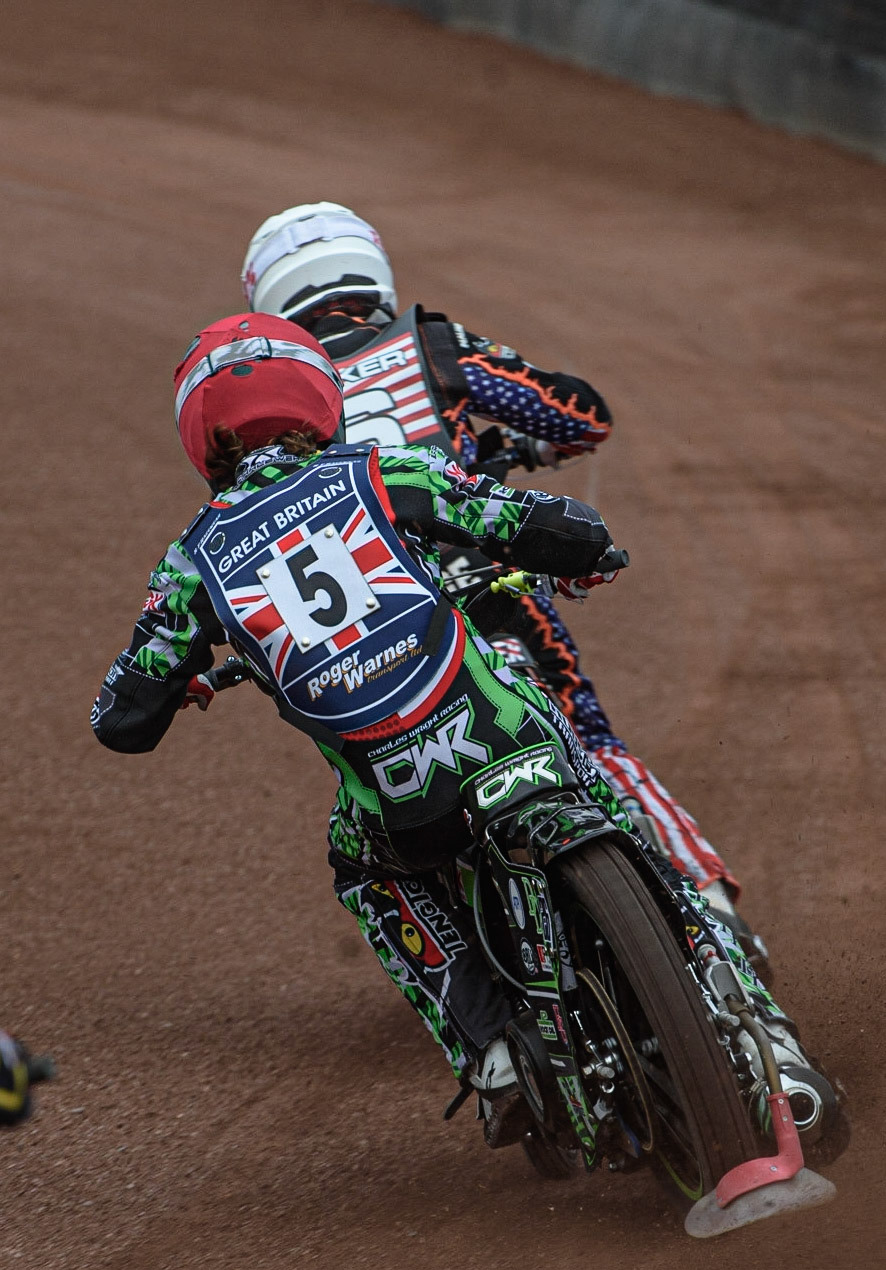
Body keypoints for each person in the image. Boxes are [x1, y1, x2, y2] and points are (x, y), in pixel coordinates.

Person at [91, 314, 835, 1151]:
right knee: (607, 795)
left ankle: (492, 1054)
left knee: (365, 875)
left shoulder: (190, 563)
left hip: (403, 805)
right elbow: (533, 519)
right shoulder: (380, 468)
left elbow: (122, 720)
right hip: (508, 732)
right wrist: (592, 549)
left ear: (200, 437)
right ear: (317, 396)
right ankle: (755, 1023)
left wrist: (179, 678)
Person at [238, 202, 763, 964]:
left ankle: (489, 996)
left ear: (268, 301)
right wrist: (502, 450)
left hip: (376, 631)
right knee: (587, 739)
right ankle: (708, 903)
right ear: (369, 269)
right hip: (490, 585)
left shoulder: (278, 407)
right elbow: (580, 415)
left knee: (384, 809)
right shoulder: (428, 343)